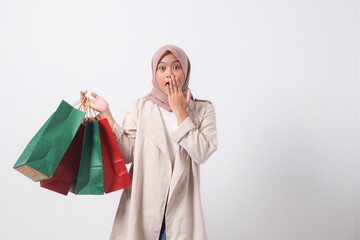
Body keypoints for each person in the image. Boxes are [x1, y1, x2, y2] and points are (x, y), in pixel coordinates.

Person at [80, 45, 218, 240]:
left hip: (181, 210)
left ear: (185, 71)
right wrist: (106, 115)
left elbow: (202, 152)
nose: (169, 74)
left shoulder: (203, 110)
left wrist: (180, 112)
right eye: (162, 68)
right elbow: (128, 153)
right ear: (155, 73)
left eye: (176, 67)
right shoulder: (140, 107)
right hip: (144, 204)